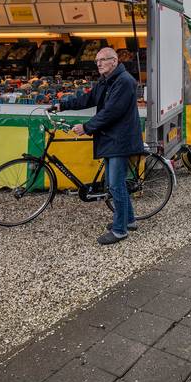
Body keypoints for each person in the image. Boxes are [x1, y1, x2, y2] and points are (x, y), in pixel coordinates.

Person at [55, 47, 144, 245]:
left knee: (115, 185)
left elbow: (111, 112)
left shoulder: (124, 81)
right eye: (97, 61)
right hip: (111, 139)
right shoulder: (107, 80)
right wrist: (63, 105)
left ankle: (120, 230)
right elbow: (88, 98)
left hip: (120, 140)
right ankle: (129, 221)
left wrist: (87, 127)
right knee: (117, 183)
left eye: (103, 60)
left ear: (115, 61)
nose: (99, 64)